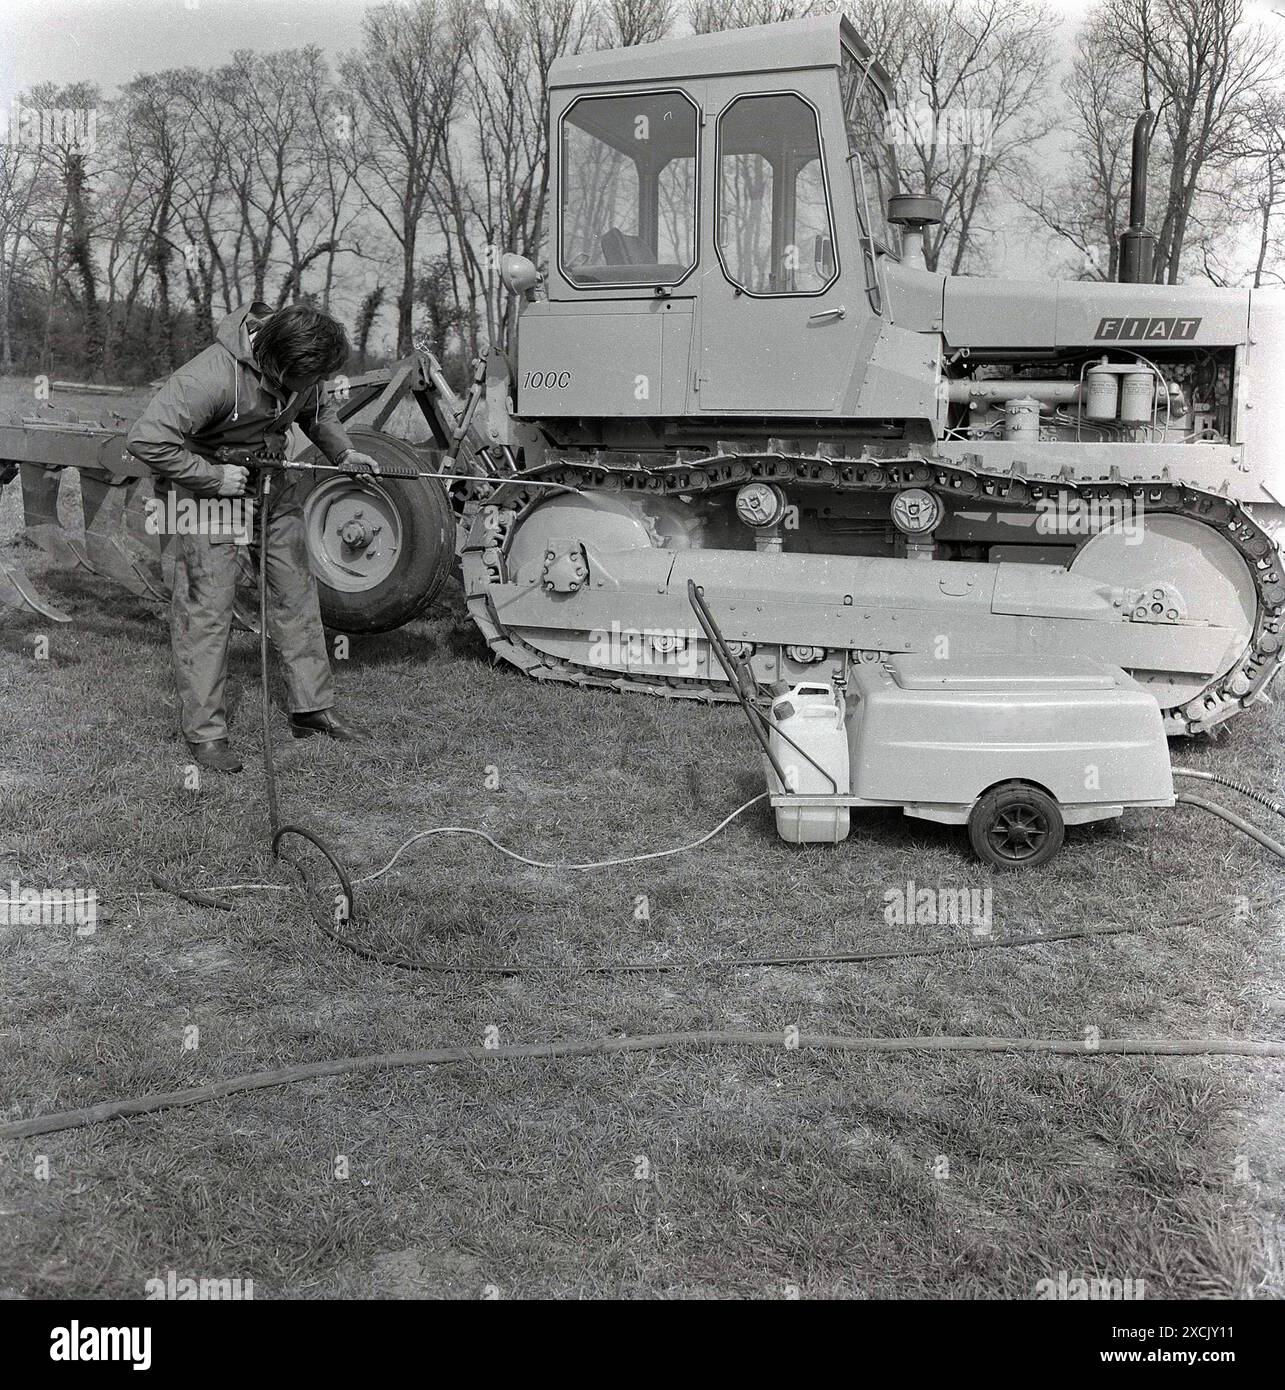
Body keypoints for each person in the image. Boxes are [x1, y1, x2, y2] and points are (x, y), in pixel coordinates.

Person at [127, 301, 381, 773]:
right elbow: (146, 440)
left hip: (272, 482)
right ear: (279, 365)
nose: (315, 384)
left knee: (296, 593)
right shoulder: (208, 377)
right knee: (207, 610)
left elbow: (318, 412)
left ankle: (311, 709)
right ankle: (206, 734)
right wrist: (211, 479)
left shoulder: (304, 370)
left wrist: (344, 453)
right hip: (210, 488)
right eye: (308, 377)